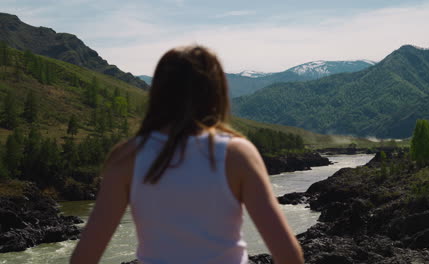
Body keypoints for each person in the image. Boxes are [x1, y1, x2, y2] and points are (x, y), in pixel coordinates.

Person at [70, 45, 304, 264]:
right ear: (215, 92)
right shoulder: (236, 154)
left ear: (158, 92)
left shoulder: (127, 156)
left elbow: (85, 256)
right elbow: (288, 255)